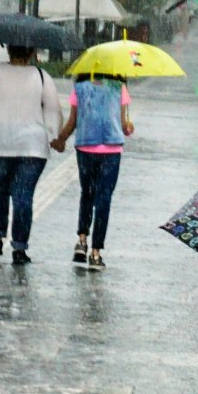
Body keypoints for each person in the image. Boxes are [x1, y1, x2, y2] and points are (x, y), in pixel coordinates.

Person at [0, 44, 64, 265]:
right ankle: (19, 248)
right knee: (23, 197)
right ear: (32, 52)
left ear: (9, 49)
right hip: (31, 147)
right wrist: (55, 135)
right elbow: (53, 111)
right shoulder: (41, 77)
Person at [52, 71, 133, 271]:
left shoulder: (80, 88)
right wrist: (129, 126)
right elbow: (125, 127)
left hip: (85, 147)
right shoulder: (119, 87)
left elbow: (73, 122)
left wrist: (61, 139)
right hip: (111, 150)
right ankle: (96, 253)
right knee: (104, 200)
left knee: (87, 194)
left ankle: (81, 241)